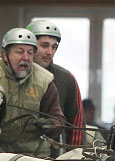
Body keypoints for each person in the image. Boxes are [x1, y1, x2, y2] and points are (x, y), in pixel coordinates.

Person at [0, 27, 65, 156]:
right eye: (19, 52)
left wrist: (50, 124)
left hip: (34, 156)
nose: (26, 58)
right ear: (5, 55)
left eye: (30, 53)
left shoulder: (45, 80)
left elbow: (58, 119)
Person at [26, 19, 85, 147]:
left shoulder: (66, 79)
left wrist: (76, 159)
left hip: (54, 159)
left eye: (54, 47)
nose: (50, 52)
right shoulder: (9, 75)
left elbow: (77, 126)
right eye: (44, 45)